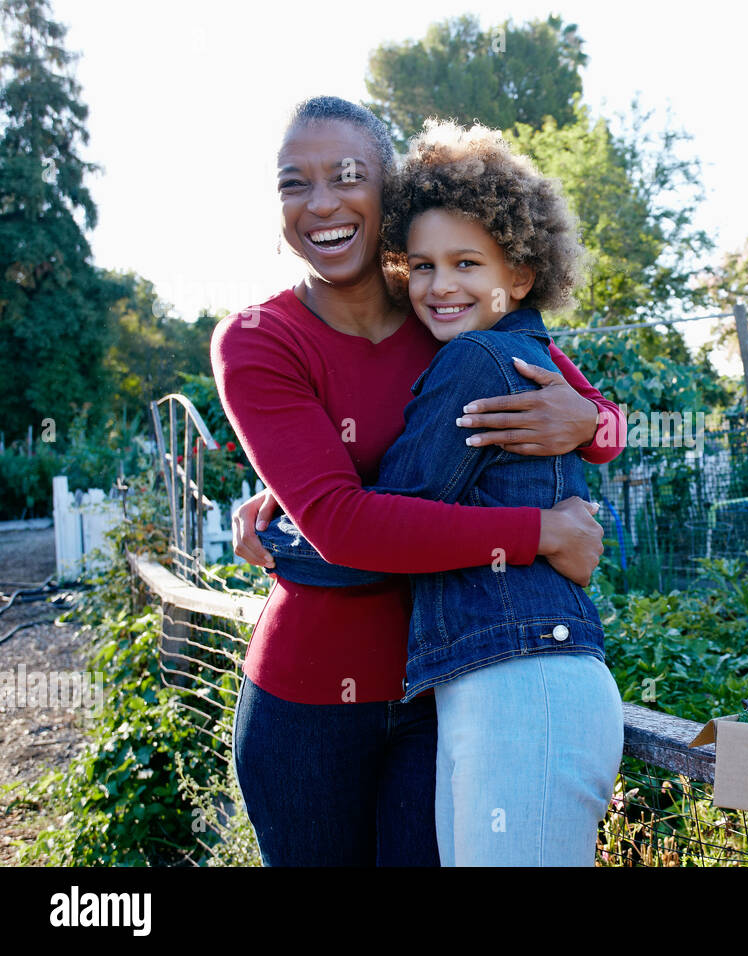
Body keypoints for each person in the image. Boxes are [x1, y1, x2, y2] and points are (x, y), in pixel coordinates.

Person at [210, 96, 624, 866]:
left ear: (388, 192)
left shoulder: (445, 312)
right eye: (294, 183)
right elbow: (341, 524)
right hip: (308, 703)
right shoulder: (259, 340)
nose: (322, 202)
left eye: (347, 176)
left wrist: (588, 424)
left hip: (442, 688)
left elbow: (599, 417)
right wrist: (541, 534)